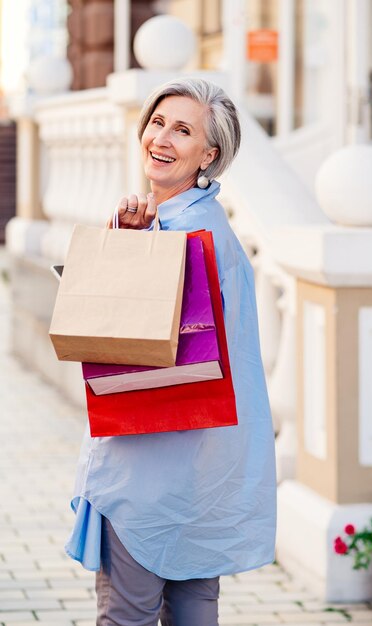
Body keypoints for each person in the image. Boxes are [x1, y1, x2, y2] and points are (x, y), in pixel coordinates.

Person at [65, 77, 277, 626]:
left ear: (209, 154)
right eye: (158, 122)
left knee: (127, 613)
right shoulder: (209, 224)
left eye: (183, 130)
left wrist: (133, 247)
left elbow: (115, 332)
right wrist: (139, 239)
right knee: (193, 606)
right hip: (207, 467)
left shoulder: (179, 233)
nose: (162, 137)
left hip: (151, 469)